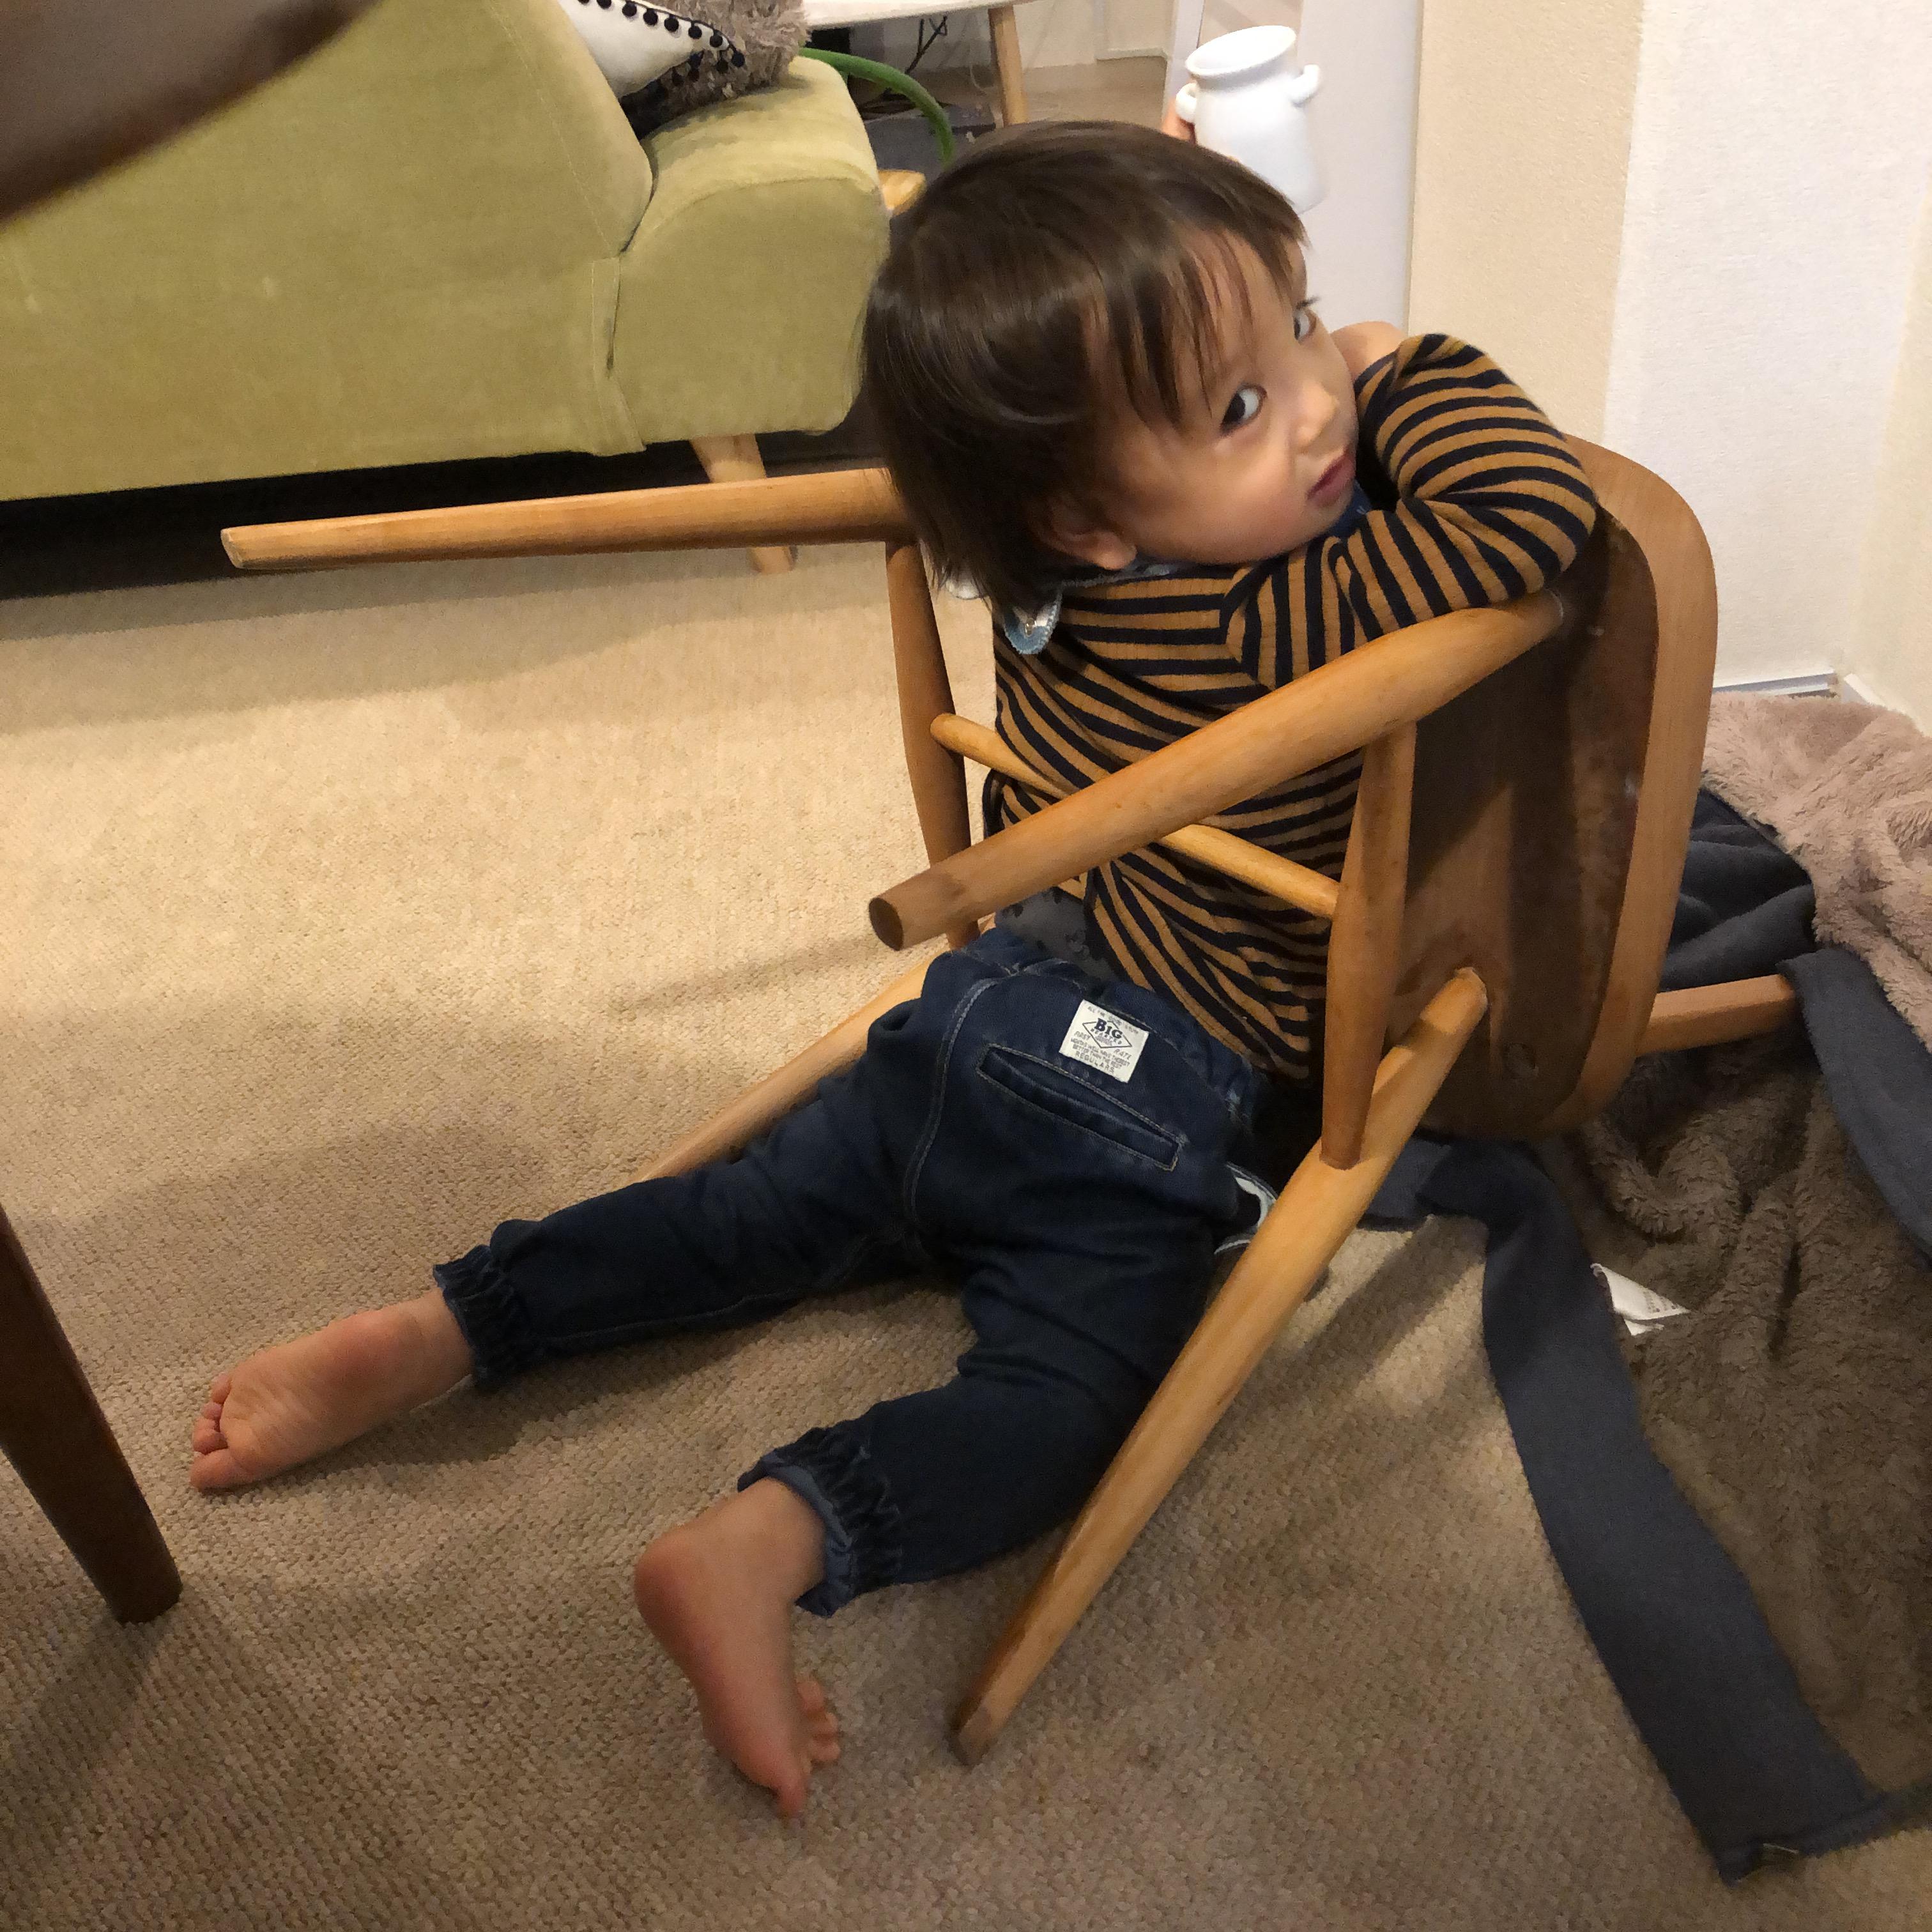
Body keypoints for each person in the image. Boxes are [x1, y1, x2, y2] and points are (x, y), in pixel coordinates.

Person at [188, 121, 1597, 1820]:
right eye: (1241, 404)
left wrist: (1253, 354)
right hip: (1139, 1109)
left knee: (738, 1216)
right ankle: (773, 1537)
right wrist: (1407, 358)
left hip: (973, 1014)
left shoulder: (1043, 594)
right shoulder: (1282, 614)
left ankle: (446, 1327)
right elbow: (1533, 514)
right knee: (1059, 1398)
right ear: (1083, 515)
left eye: (1305, 324)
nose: (1318, 407)